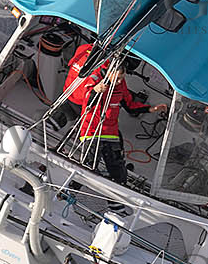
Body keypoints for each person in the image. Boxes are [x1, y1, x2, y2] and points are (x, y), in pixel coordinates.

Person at [70, 58, 163, 186]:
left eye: (122, 78)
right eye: (118, 78)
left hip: (111, 132)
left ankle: (117, 199)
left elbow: (129, 105)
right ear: (109, 73)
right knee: (87, 167)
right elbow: (87, 103)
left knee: (118, 169)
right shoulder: (95, 79)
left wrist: (150, 109)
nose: (120, 82)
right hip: (93, 131)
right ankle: (68, 192)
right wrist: (95, 91)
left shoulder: (121, 84)